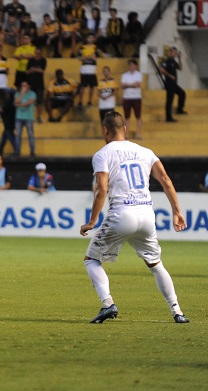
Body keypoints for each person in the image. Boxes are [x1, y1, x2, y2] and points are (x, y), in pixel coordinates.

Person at [79, 111, 190, 324]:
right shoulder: (145, 152)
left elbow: (101, 189)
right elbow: (165, 180)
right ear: (125, 128)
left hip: (122, 213)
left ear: (105, 130)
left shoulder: (103, 154)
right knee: (156, 263)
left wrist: (92, 221)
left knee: (92, 260)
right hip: (147, 214)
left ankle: (107, 303)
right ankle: (177, 311)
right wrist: (177, 211)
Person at [159, 46, 187, 123]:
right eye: (173, 52)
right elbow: (161, 70)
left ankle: (179, 109)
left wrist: (179, 58)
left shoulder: (174, 61)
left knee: (182, 93)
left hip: (174, 84)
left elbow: (180, 68)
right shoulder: (166, 61)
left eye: (175, 52)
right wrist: (170, 75)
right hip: (169, 84)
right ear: (170, 52)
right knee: (169, 100)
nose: (174, 54)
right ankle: (168, 117)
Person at [77, 33, 103, 107]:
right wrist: (86, 57)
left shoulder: (96, 48)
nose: (90, 39)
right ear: (86, 38)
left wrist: (91, 57)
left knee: (92, 86)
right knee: (83, 86)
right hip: (84, 69)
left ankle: (90, 101)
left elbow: (97, 58)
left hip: (92, 70)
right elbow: (79, 58)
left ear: (94, 39)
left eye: (92, 37)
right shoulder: (82, 47)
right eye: (89, 37)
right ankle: (80, 101)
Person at [121, 58, 142, 139]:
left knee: (138, 116)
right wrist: (132, 85)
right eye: (130, 65)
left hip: (136, 97)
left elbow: (138, 85)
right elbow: (123, 86)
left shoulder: (139, 74)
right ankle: (126, 135)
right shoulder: (124, 75)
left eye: (133, 65)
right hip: (127, 97)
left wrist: (127, 85)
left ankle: (139, 133)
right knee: (127, 117)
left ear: (136, 66)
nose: (131, 66)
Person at [14, 80, 36, 156]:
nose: (23, 87)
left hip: (29, 117)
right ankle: (17, 151)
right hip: (18, 117)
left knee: (30, 135)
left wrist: (20, 105)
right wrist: (22, 94)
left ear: (28, 86)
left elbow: (29, 103)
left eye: (25, 86)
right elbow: (16, 102)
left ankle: (32, 151)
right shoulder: (18, 93)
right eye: (22, 86)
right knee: (18, 135)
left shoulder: (32, 93)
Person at [26, 48, 46, 122]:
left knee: (40, 101)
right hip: (31, 84)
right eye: (36, 52)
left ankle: (39, 117)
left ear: (41, 52)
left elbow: (42, 71)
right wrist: (34, 70)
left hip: (40, 84)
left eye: (38, 52)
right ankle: (30, 117)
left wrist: (33, 69)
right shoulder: (30, 60)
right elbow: (27, 71)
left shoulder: (43, 60)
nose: (37, 54)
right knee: (30, 101)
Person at [0, 88, 17, 154]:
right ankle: (0, 150)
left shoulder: (8, 101)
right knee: (4, 136)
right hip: (11, 121)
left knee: (10, 137)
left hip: (8, 122)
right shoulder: (14, 101)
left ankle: (17, 150)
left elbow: (2, 109)